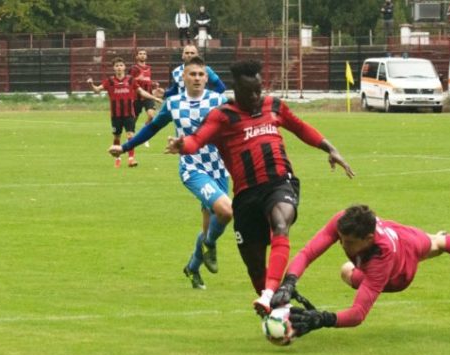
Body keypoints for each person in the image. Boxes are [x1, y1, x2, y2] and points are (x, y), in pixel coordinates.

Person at [166, 59, 355, 315]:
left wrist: (330, 148)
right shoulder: (223, 116)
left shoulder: (273, 105)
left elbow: (300, 127)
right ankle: (279, 309)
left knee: (280, 224)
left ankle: (268, 295)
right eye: (249, 92)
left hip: (280, 183)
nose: (256, 96)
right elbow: (197, 140)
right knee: (255, 266)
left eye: (259, 89)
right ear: (236, 89)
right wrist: (182, 145)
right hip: (245, 196)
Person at [269, 204, 450, 339]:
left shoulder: (381, 257)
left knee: (347, 271)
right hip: (402, 232)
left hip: (400, 269)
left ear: (367, 238)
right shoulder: (345, 222)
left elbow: (357, 315)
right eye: (341, 237)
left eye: (350, 241)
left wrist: (322, 319)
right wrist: (289, 282)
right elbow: (307, 253)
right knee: (439, 241)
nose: (342, 243)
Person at [109, 56, 231, 289]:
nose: (196, 78)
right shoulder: (174, 103)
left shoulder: (218, 100)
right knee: (226, 211)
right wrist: (124, 147)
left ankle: (193, 267)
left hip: (219, 167)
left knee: (213, 223)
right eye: (192, 74)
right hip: (192, 169)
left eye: (200, 74)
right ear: (183, 77)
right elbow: (152, 128)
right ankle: (210, 247)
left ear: (206, 78)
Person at [87, 57, 162, 168]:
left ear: (124, 67)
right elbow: (97, 90)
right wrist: (91, 84)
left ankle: (131, 159)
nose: (119, 68)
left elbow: (141, 92)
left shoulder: (131, 80)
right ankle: (117, 158)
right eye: (117, 66)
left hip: (129, 114)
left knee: (130, 135)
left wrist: (154, 98)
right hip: (116, 115)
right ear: (114, 68)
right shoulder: (109, 81)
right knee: (117, 137)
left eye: (121, 65)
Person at [129, 49, 164, 147]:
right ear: (136, 57)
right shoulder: (134, 68)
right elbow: (130, 81)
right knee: (133, 120)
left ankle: (144, 134)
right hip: (136, 97)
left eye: (144, 54)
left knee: (152, 116)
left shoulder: (149, 68)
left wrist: (153, 84)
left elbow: (147, 81)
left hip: (148, 96)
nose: (142, 55)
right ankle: (131, 138)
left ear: (146, 56)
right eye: (140, 54)